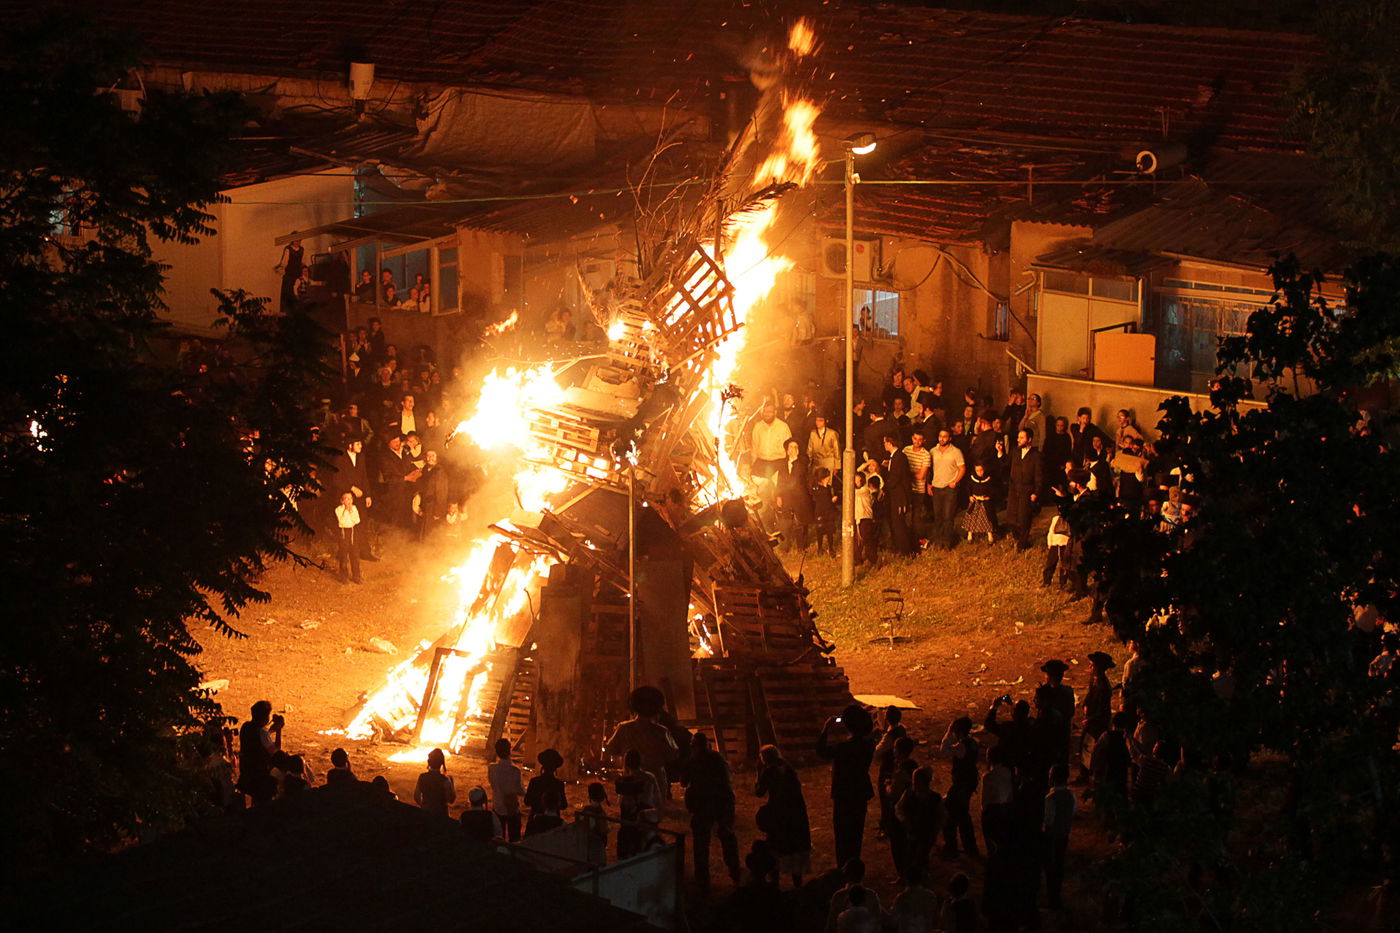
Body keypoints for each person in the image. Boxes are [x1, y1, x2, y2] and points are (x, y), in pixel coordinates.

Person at [817, 704, 878, 867]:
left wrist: (826, 729)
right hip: (860, 793)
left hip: (844, 794)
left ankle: (843, 867)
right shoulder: (868, 745)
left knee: (843, 834)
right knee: (856, 832)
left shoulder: (844, 748)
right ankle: (854, 864)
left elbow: (821, 751)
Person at [682, 732, 741, 891]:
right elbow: (726, 779)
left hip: (704, 804)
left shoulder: (693, 761)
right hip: (722, 802)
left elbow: (683, 782)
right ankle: (734, 871)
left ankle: (702, 878)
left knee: (701, 841)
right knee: (727, 836)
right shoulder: (718, 758)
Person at [755, 744, 811, 887]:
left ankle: (775, 883)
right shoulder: (788, 768)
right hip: (796, 812)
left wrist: (759, 772)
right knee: (795, 846)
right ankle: (797, 884)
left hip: (779, 813)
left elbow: (759, 792)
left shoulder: (769, 771)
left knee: (776, 846)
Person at [603, 686, 679, 791]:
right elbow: (673, 754)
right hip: (656, 784)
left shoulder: (624, 728)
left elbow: (610, 749)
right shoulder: (662, 731)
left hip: (631, 782)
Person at [938, 717, 980, 858]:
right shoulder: (972, 742)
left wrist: (948, 732)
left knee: (950, 814)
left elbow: (944, 749)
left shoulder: (962, 746)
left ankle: (951, 847)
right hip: (968, 782)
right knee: (963, 816)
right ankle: (969, 847)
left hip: (961, 784)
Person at [896, 765, 945, 884]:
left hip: (926, 833)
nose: (914, 783)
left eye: (916, 781)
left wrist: (936, 833)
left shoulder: (935, 798)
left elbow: (941, 817)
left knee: (921, 857)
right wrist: (904, 821)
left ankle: (920, 879)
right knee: (909, 855)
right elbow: (899, 808)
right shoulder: (908, 794)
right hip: (912, 831)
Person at [616, 749, 662, 859]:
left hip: (631, 820)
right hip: (648, 817)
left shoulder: (624, 781)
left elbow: (622, 803)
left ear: (626, 763)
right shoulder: (650, 777)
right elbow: (657, 799)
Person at [1043, 763, 1078, 908]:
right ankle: (1056, 895)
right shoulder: (1071, 795)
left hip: (1052, 837)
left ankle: (1052, 897)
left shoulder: (1050, 797)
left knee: (1050, 867)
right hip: (1064, 834)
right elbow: (1073, 812)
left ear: (1052, 778)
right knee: (1059, 864)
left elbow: (1048, 820)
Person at [237, 700, 281, 805]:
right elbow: (276, 752)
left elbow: (256, 740)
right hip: (261, 776)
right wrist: (279, 730)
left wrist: (269, 732)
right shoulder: (262, 733)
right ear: (265, 717)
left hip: (248, 772)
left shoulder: (245, 727)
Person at [928, 428, 966, 550]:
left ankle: (947, 542)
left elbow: (962, 468)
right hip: (936, 487)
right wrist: (929, 484)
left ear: (949, 438)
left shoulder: (956, 452)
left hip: (949, 489)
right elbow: (929, 469)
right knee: (938, 516)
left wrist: (955, 481)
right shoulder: (933, 451)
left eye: (945, 436)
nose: (942, 438)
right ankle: (939, 541)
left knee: (948, 516)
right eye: (940, 436)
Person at [1006, 427, 1042, 550]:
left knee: (1024, 518)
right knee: (1012, 518)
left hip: (1027, 490)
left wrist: (1036, 492)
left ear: (1029, 439)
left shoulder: (1036, 455)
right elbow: (1005, 465)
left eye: (1022, 437)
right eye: (1018, 437)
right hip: (1013, 489)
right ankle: (1017, 538)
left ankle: (1022, 543)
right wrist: (1000, 453)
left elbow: (1039, 475)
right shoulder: (1015, 451)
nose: (1018, 440)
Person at [775, 439, 813, 552]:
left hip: (800, 497)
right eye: (791, 447)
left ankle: (801, 547)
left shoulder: (801, 465)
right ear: (787, 451)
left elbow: (805, 480)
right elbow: (780, 481)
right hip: (786, 497)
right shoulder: (782, 465)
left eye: (796, 447)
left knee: (800, 523)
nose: (793, 449)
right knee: (785, 523)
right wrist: (779, 496)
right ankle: (784, 547)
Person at [825, 858, 884, 933]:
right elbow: (878, 923)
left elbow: (831, 925)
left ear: (845, 875)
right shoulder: (871, 895)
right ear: (863, 875)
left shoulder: (838, 896)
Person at [487, 737, 524, 841]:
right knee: (515, 837)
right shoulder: (515, 771)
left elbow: (492, 783)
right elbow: (520, 791)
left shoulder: (492, 768)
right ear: (510, 751)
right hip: (512, 808)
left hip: (498, 806)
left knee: (499, 836)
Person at [981, 745, 1015, 856]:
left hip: (992, 811)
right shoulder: (1008, 772)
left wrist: (984, 811)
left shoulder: (988, 776)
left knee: (991, 842)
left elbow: (985, 799)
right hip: (1006, 808)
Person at [883, 435, 914, 556]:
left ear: (890, 443)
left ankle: (906, 550)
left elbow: (897, 479)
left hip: (899, 496)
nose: (884, 445)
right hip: (896, 496)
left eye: (885, 442)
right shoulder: (895, 457)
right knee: (897, 523)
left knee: (899, 524)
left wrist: (884, 488)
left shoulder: (899, 457)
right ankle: (902, 548)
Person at [902, 429, 933, 543]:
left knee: (916, 516)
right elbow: (903, 469)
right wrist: (916, 471)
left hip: (918, 490)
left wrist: (908, 472)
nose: (917, 442)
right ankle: (908, 537)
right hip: (906, 488)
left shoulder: (926, 454)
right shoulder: (906, 450)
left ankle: (921, 538)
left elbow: (921, 476)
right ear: (912, 438)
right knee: (905, 515)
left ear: (924, 440)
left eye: (920, 440)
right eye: (915, 439)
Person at [750, 400, 792, 481]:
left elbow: (789, 449)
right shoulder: (758, 427)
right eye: (765, 411)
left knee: (777, 492)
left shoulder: (783, 427)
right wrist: (753, 464)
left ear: (775, 412)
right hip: (761, 464)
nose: (766, 414)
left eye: (769, 412)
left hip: (778, 464)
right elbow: (754, 448)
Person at [890, 866, 941, 933]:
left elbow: (893, 920)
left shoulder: (902, 898)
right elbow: (936, 918)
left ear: (907, 880)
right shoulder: (930, 896)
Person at [524, 747, 569, 819]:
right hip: (553, 822)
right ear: (555, 769)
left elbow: (527, 802)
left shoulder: (534, 781)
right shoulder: (558, 784)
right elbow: (564, 805)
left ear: (543, 767)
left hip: (535, 821)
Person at [413, 748, 456, 818]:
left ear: (429, 762)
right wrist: (452, 783)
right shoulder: (445, 780)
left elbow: (416, 797)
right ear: (441, 763)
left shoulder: (422, 777)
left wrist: (425, 806)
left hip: (426, 814)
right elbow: (451, 800)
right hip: (441, 815)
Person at [576, 782, 611, 866]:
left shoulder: (585, 811)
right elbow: (604, 830)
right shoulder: (601, 813)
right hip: (597, 846)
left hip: (585, 846)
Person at [333, 492, 362, 584]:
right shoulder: (338, 509)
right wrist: (346, 510)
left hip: (353, 532)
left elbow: (356, 520)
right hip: (343, 533)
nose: (349, 501)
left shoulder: (354, 508)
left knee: (355, 554)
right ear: (342, 501)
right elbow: (342, 521)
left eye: (350, 499)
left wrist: (350, 511)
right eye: (346, 499)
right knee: (343, 555)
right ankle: (344, 576)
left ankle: (356, 576)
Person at [962, 462, 995, 543]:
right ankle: (970, 534)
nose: (980, 472)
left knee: (987, 518)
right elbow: (968, 488)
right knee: (972, 518)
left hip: (984, 502)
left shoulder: (988, 479)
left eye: (981, 470)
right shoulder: (972, 479)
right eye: (977, 470)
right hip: (975, 501)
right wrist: (970, 496)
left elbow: (992, 489)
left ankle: (990, 535)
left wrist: (988, 497)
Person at [811, 467, 839, 556]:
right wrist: (830, 500)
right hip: (820, 512)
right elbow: (820, 499)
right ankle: (820, 549)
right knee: (820, 532)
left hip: (829, 512)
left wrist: (834, 499)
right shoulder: (816, 488)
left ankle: (831, 548)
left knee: (830, 531)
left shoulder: (829, 488)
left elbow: (830, 498)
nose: (828, 480)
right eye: (826, 478)